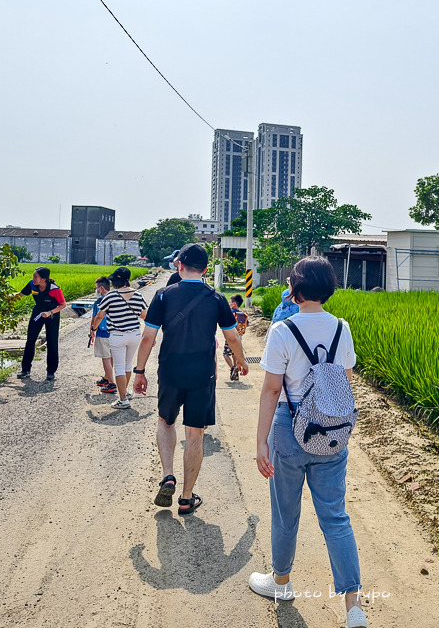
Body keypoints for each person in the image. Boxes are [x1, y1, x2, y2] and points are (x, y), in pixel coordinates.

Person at [250, 256, 368, 628]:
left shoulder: (283, 330)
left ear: (295, 287)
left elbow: (271, 389)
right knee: (335, 516)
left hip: (289, 425)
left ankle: (281, 583)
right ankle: (353, 608)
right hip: (332, 428)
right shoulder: (341, 328)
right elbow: (344, 380)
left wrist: (260, 443)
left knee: (286, 513)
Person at [133, 243, 248, 515]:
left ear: (179, 265)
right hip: (202, 374)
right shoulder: (218, 299)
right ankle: (186, 498)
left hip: (170, 371)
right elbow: (231, 337)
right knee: (195, 433)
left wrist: (139, 372)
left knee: (166, 420)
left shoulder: (163, 296)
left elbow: (148, 337)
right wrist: (241, 361)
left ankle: (168, 475)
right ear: (206, 269)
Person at [90, 267, 148, 409]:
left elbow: (99, 316)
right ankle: (125, 392)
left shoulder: (110, 296)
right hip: (134, 335)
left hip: (117, 335)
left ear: (116, 282)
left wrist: (93, 328)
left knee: (120, 367)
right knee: (128, 365)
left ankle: (122, 399)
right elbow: (146, 316)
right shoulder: (138, 295)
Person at [13, 266, 68, 381]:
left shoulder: (54, 289)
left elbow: (63, 305)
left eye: (35, 277)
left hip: (52, 314)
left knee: (52, 342)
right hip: (38, 314)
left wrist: (49, 312)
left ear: (43, 279)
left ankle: (51, 371)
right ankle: (25, 370)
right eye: (33, 276)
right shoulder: (32, 285)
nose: (33, 278)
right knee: (30, 340)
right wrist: (8, 298)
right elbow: (21, 294)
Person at [92, 277, 118, 394]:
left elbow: (95, 318)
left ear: (101, 288)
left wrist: (92, 330)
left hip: (102, 333)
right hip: (115, 333)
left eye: (97, 288)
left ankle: (111, 383)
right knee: (111, 357)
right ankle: (106, 378)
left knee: (105, 358)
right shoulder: (116, 299)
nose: (96, 290)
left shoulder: (98, 302)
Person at [223, 295, 249, 381]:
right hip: (239, 337)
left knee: (226, 355)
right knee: (234, 353)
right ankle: (235, 367)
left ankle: (233, 368)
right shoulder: (242, 314)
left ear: (234, 304)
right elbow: (247, 324)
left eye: (230, 302)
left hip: (230, 337)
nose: (229, 304)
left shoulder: (230, 313)